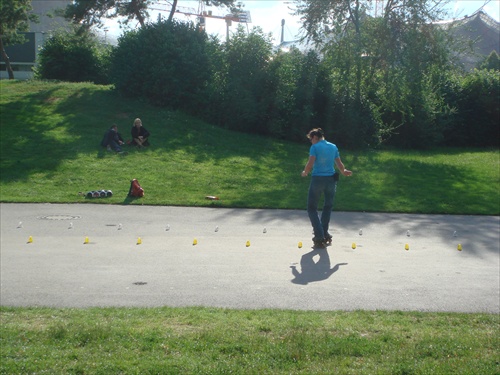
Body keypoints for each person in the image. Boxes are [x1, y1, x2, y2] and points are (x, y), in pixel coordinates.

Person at [301, 128, 352, 247]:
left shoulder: (315, 147)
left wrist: (305, 172)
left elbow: (310, 162)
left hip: (318, 179)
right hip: (331, 180)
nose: (311, 142)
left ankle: (319, 235)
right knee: (327, 206)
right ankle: (324, 233)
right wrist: (344, 171)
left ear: (314, 137)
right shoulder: (333, 146)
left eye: (311, 139)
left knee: (312, 207)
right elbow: (339, 163)